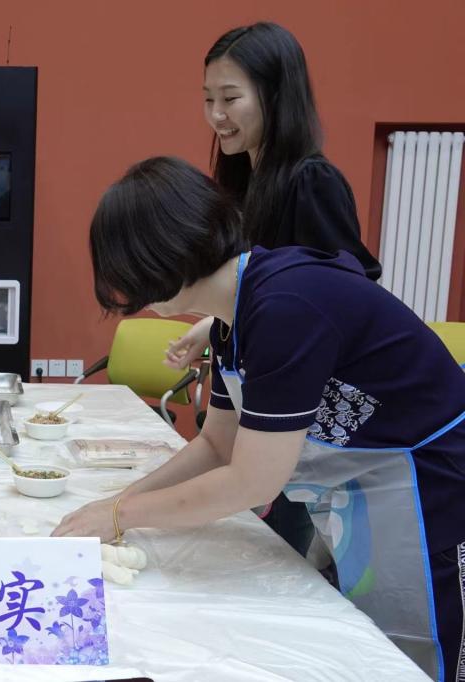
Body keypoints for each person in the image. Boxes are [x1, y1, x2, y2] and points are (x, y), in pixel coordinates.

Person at [54, 156, 465, 681]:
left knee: (425, 653)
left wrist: (123, 516)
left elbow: (253, 481)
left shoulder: (285, 306)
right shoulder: (232, 318)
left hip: (431, 488)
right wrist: (117, 504)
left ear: (156, 254)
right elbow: (217, 446)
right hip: (370, 492)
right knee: (372, 643)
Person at [165, 22, 383, 558]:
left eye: (231, 98)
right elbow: (251, 287)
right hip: (271, 405)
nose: (216, 115)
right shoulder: (244, 181)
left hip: (308, 417)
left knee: (286, 552)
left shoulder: (311, 181)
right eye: (208, 99)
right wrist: (211, 323)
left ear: (276, 95)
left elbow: (342, 294)